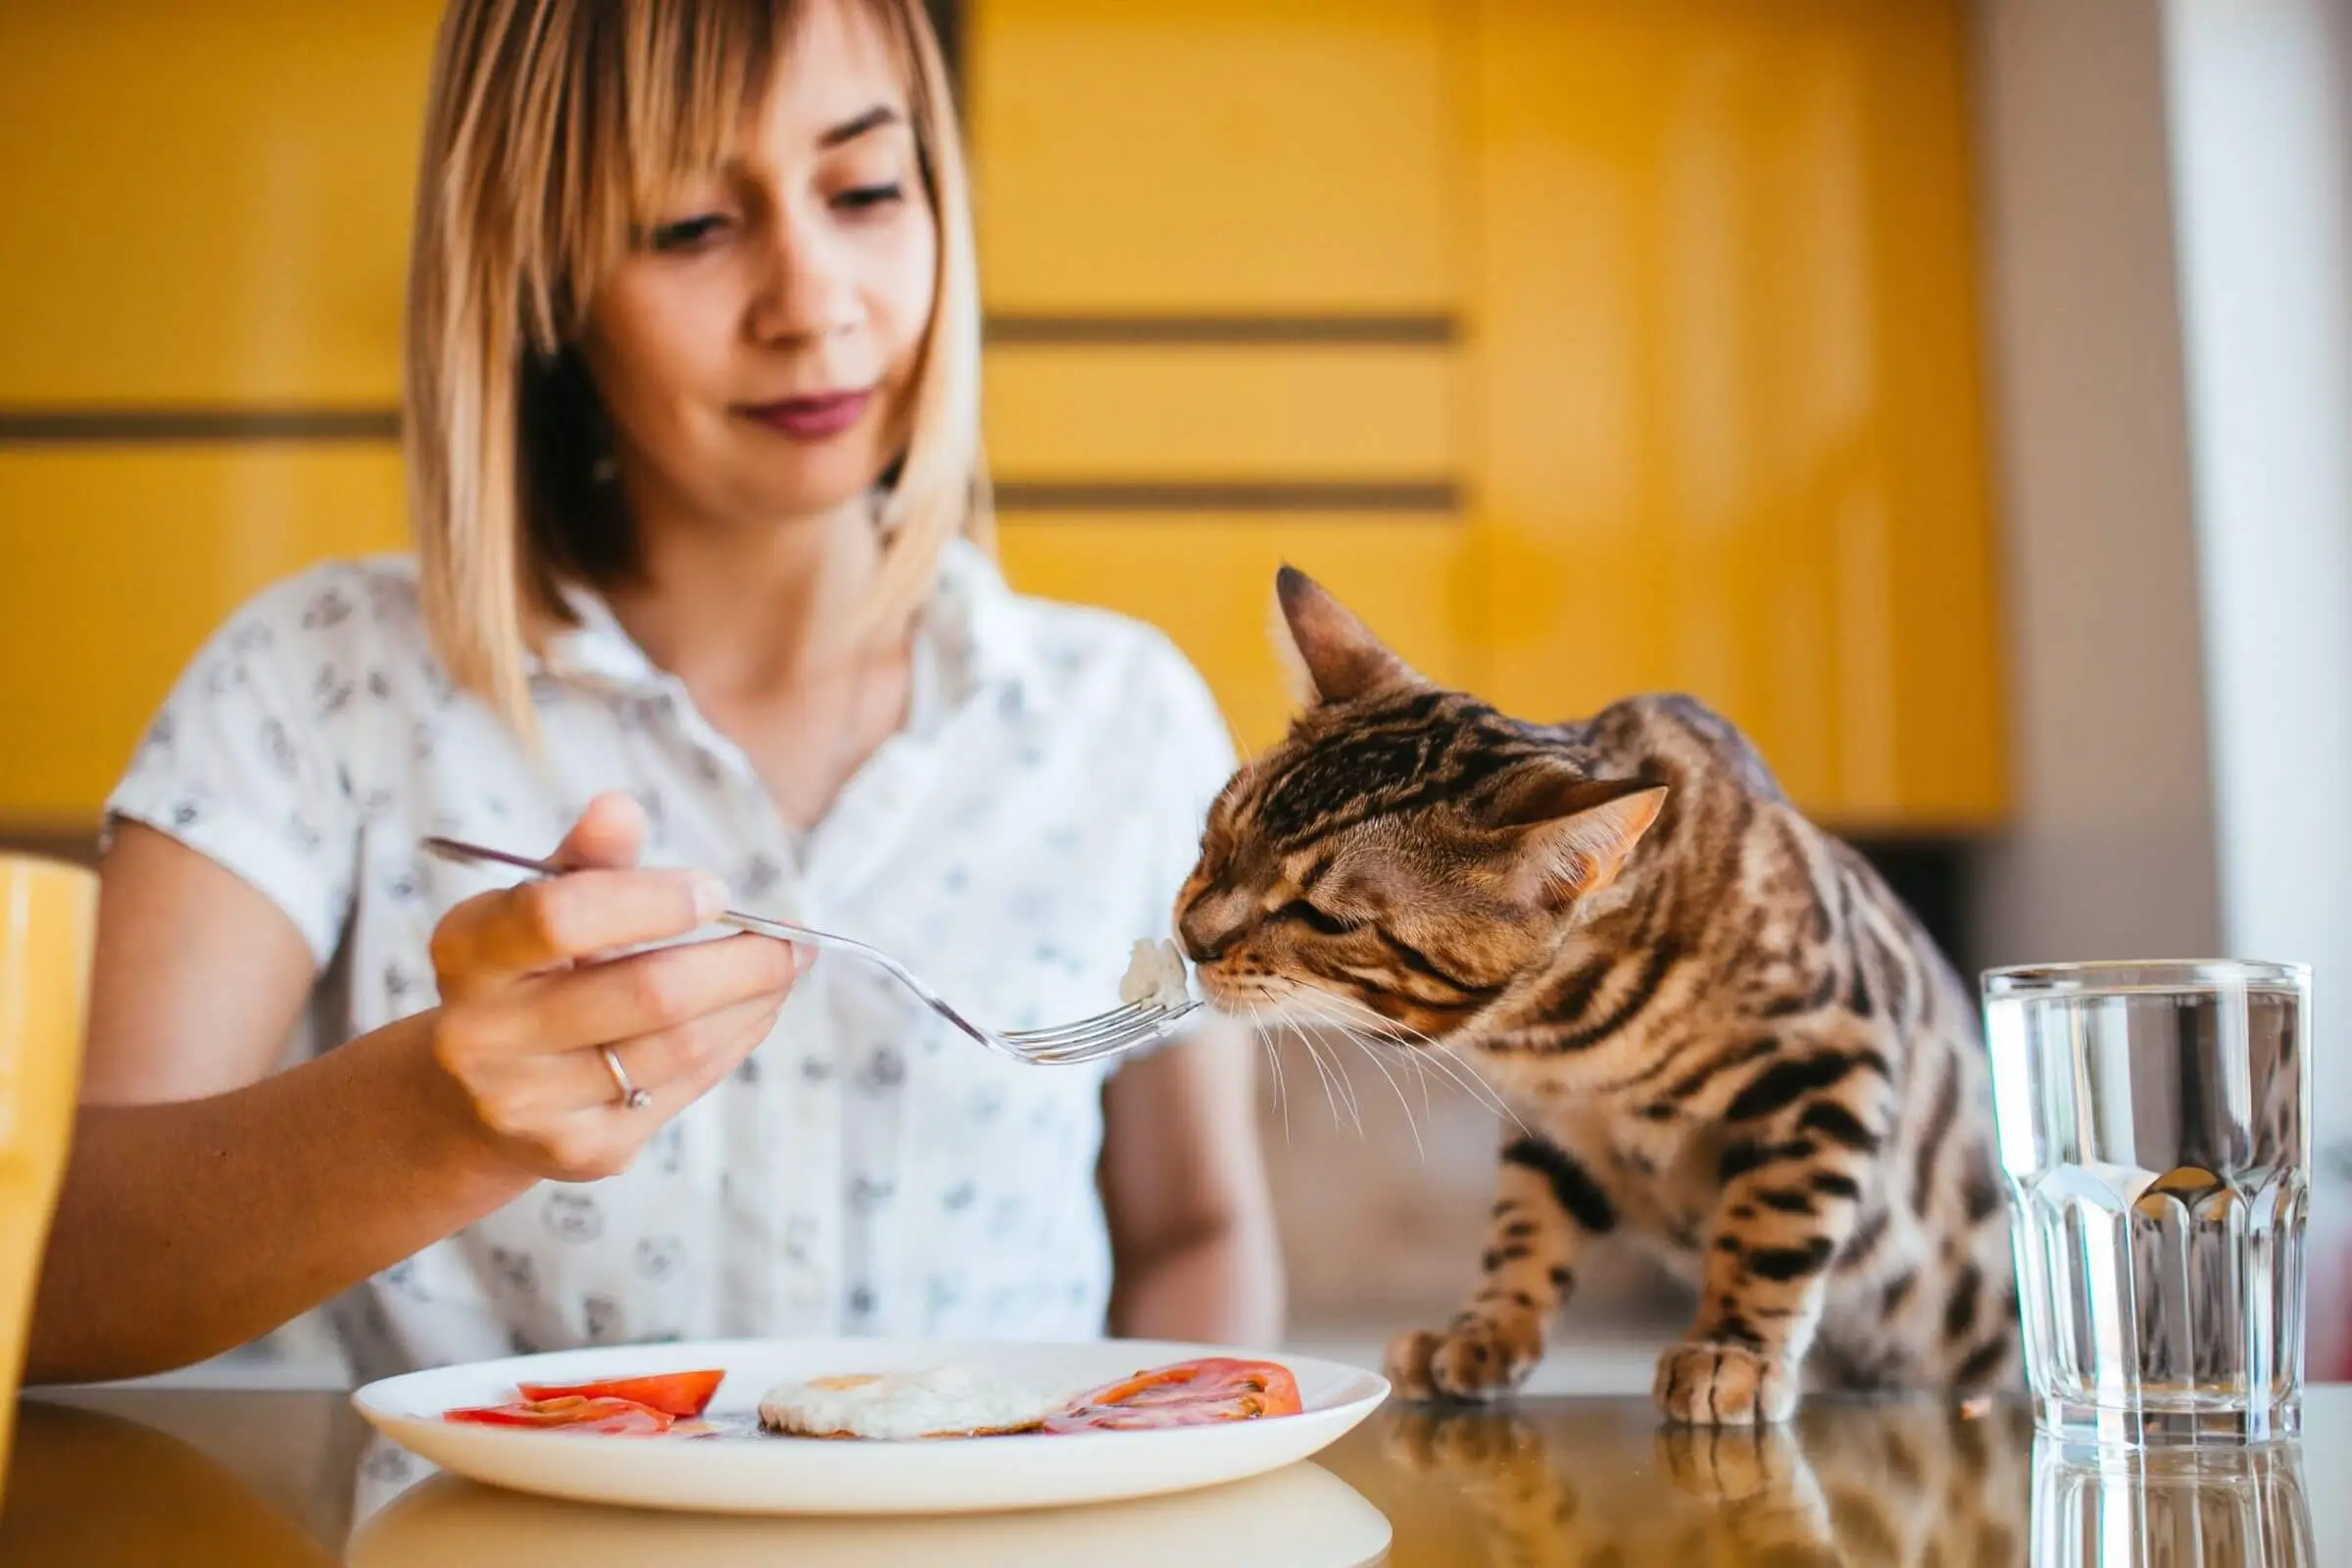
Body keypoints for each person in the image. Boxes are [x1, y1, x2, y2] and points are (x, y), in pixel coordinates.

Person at [28, 0, 1280, 1387]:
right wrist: (442, 1123)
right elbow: (48, 1273)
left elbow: (1194, 1230)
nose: (813, 305)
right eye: (690, 224)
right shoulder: (319, 683)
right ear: (536, 276)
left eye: (866, 189)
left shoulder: (1123, 716)